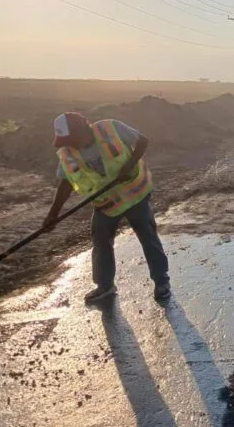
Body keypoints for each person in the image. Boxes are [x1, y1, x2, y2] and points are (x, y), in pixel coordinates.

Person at [42, 112, 171, 304]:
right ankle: (104, 285)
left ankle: (161, 281)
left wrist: (129, 164)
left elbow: (142, 141)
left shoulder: (110, 128)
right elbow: (66, 183)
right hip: (106, 203)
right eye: (65, 141)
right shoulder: (67, 153)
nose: (69, 144)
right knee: (100, 240)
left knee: (147, 235)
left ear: (83, 130)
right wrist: (52, 214)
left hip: (134, 195)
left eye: (71, 139)